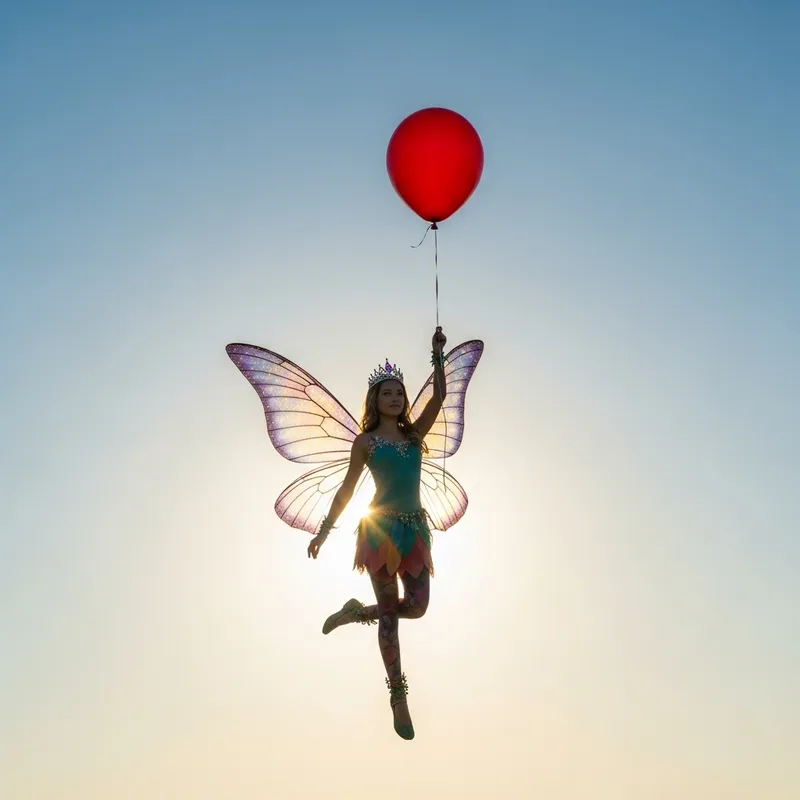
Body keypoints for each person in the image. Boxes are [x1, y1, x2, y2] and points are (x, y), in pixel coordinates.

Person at [305, 326, 448, 741]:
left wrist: (437, 354)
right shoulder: (365, 442)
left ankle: (354, 613)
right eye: (387, 393)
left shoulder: (413, 435)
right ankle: (398, 697)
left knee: (418, 606)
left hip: (414, 530)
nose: (395, 398)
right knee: (390, 615)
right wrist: (323, 532)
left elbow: (438, 397)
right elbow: (348, 489)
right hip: (380, 531)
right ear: (375, 400)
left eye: (399, 393)